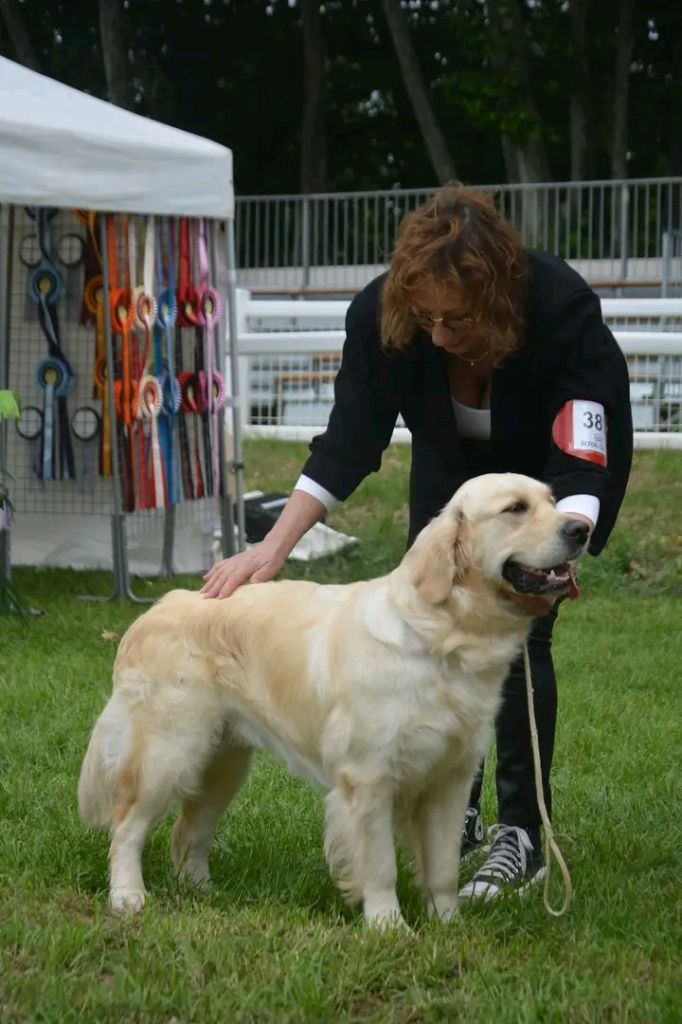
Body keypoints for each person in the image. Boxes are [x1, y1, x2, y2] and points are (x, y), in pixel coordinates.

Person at [202, 185, 633, 901]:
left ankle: (520, 833)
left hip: (538, 491)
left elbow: (585, 452)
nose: (436, 335)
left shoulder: (562, 309)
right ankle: (450, 816)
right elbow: (348, 443)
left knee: (526, 643)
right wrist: (270, 550)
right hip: (448, 489)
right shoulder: (382, 313)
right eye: (424, 317)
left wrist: (562, 551)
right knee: (429, 627)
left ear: (496, 294)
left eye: (456, 318)